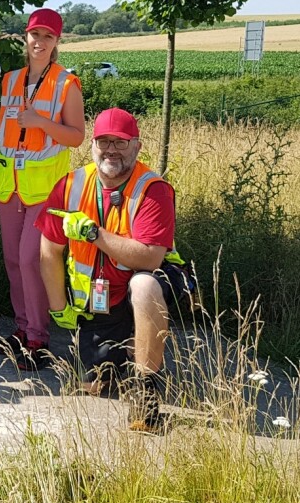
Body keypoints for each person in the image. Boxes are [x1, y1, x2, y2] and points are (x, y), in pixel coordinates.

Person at [37, 108, 188, 431]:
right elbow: (49, 250)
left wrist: (94, 234)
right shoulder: (71, 185)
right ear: (92, 145)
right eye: (104, 142)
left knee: (145, 285)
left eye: (120, 143)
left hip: (148, 286)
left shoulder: (153, 189)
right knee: (95, 383)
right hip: (100, 301)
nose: (111, 150)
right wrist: (58, 307)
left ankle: (146, 392)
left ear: (137, 146)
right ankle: (123, 354)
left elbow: (149, 258)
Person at [0, 8, 85, 370]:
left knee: (32, 259)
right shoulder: (10, 81)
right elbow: (5, 142)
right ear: (25, 38)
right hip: (8, 187)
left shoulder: (66, 84)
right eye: (35, 35)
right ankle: (21, 327)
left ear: (57, 42)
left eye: (48, 36)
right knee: (14, 261)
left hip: (45, 189)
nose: (40, 42)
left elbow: (76, 137)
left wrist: (40, 121)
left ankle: (38, 339)